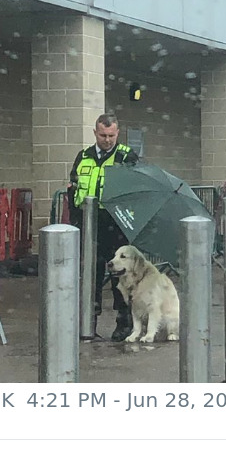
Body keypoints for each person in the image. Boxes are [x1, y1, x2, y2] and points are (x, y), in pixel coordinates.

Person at [69, 113, 140, 340]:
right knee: (90, 274)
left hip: (117, 224)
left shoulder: (126, 157)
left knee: (120, 275)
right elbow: (73, 188)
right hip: (89, 223)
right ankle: (88, 322)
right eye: (102, 135)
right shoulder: (84, 156)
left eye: (111, 135)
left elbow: (135, 191)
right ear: (95, 133)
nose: (107, 140)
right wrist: (75, 222)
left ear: (118, 133)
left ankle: (123, 322)